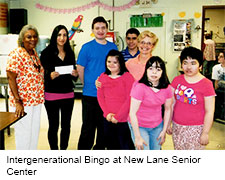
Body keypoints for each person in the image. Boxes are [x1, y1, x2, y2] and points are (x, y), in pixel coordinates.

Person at [77, 16, 118, 150]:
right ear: (92, 30)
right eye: (97, 28)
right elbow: (80, 69)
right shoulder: (86, 47)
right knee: (88, 128)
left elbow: (117, 69)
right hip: (90, 95)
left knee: (103, 128)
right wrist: (87, 84)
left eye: (103, 28)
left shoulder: (113, 47)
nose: (100, 31)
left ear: (107, 30)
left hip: (108, 97)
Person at [167, 46, 216, 150]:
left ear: (200, 66)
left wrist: (205, 133)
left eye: (193, 63)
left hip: (197, 129)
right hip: (178, 127)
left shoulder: (207, 84)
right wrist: (167, 124)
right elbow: (170, 105)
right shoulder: (176, 80)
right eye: (185, 63)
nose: (188, 67)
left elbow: (210, 111)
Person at [6, 25, 44, 150]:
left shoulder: (33, 54)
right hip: (23, 101)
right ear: (22, 39)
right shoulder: (17, 54)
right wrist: (18, 101)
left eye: (34, 36)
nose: (32, 39)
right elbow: (11, 78)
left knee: (34, 132)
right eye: (29, 37)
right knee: (23, 134)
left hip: (36, 101)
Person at [40, 25, 78, 150]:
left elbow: (73, 74)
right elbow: (40, 73)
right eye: (59, 35)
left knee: (66, 126)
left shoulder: (70, 52)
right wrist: (49, 75)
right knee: (53, 126)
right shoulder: (46, 53)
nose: (62, 38)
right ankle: (54, 151)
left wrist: (75, 74)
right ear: (54, 36)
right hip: (52, 95)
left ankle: (63, 150)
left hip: (68, 94)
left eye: (64, 35)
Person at [129, 56, 173, 150]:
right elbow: (132, 113)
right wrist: (137, 137)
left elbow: (168, 109)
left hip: (157, 125)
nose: (154, 72)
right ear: (146, 70)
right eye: (151, 68)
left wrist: (164, 131)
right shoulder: (140, 87)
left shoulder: (167, 88)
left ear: (162, 72)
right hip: (140, 126)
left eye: (158, 69)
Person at [97, 50, 135, 150]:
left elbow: (129, 99)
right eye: (109, 62)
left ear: (120, 63)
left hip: (123, 119)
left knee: (125, 145)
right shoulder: (102, 77)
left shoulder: (127, 77)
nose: (111, 64)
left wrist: (118, 116)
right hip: (108, 118)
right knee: (110, 145)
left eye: (115, 62)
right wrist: (107, 113)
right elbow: (100, 97)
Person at [212, 51, 225, 120]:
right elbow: (216, 81)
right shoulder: (216, 68)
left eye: (221, 56)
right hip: (220, 89)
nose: (218, 58)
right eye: (219, 56)